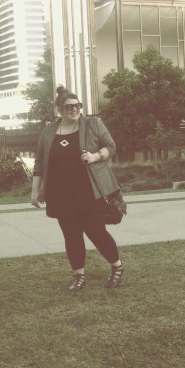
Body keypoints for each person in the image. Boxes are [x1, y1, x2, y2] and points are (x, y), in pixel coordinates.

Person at [30, 86, 124, 290]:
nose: (74, 110)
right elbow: (39, 162)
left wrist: (95, 156)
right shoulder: (48, 131)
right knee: (71, 235)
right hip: (60, 194)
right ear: (59, 110)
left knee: (96, 231)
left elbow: (112, 147)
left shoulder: (92, 124)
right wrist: (35, 191)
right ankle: (78, 275)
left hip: (89, 192)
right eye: (69, 107)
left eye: (77, 106)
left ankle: (117, 267)